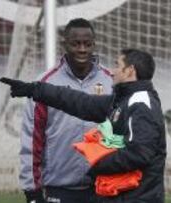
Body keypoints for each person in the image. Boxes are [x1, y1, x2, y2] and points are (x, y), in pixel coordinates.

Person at [1, 48, 167, 203]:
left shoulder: (141, 103)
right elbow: (80, 102)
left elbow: (140, 153)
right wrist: (34, 89)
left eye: (118, 65)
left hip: (138, 198)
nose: (113, 70)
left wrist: (98, 163)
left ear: (130, 70)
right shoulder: (122, 100)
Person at [18, 18, 113, 203]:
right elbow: (31, 141)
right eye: (76, 43)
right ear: (64, 44)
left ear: (94, 44)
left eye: (87, 43)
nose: (82, 49)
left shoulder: (112, 82)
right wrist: (32, 192)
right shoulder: (44, 85)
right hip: (59, 189)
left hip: (104, 187)